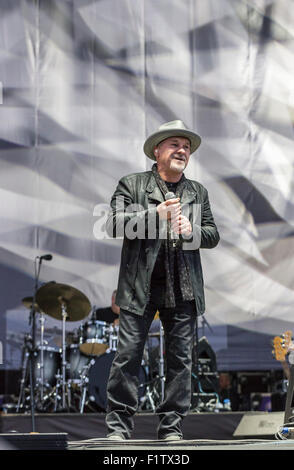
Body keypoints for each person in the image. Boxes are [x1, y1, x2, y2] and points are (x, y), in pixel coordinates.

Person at [104, 120, 220, 441]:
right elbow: (113, 224)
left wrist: (191, 232)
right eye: (175, 145)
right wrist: (156, 216)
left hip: (182, 287)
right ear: (157, 150)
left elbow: (212, 234)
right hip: (140, 286)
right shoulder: (133, 184)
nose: (182, 150)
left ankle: (171, 428)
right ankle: (119, 428)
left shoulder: (197, 191)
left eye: (187, 147)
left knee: (181, 360)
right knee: (128, 356)